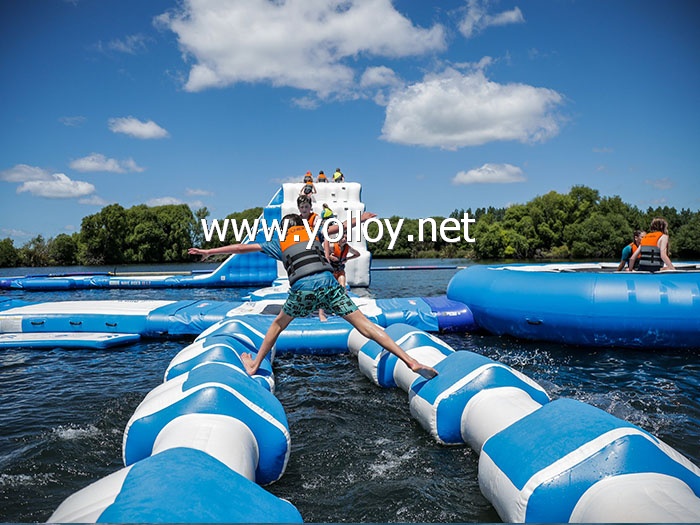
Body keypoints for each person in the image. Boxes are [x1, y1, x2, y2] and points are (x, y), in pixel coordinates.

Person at [188, 214, 438, 380]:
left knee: (277, 325)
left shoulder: (280, 240)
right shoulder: (315, 232)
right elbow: (340, 227)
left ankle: (253, 365)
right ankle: (410, 360)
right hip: (328, 283)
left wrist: (209, 251)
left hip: (303, 288)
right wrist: (360, 219)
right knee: (367, 327)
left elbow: (242, 248)